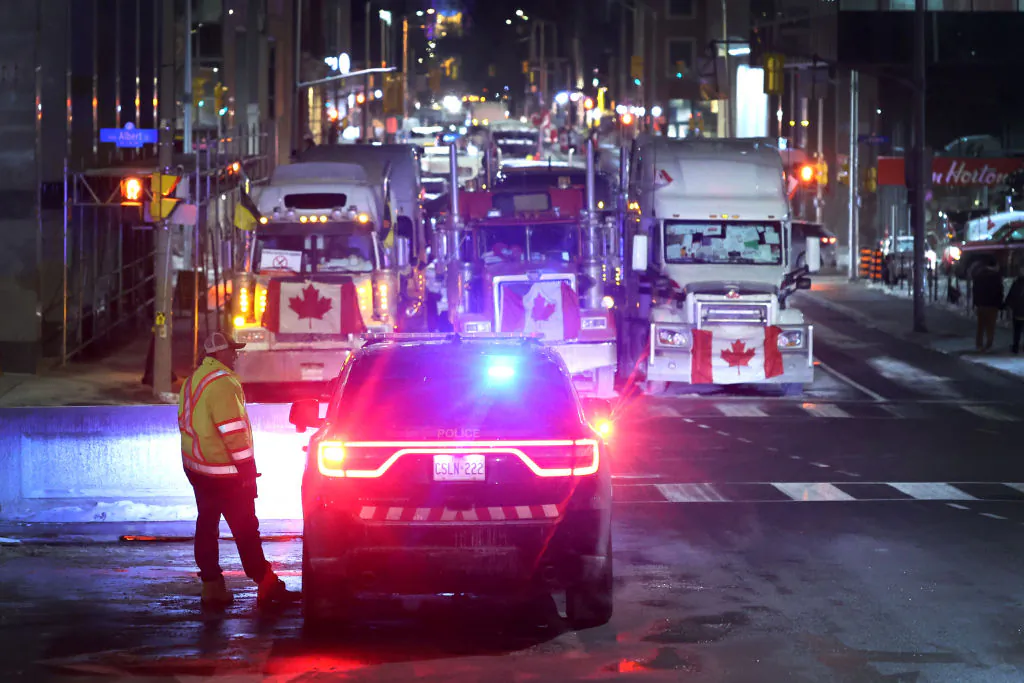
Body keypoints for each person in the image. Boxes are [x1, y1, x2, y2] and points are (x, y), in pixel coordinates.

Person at [178, 331, 299, 608]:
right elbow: (233, 432)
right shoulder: (223, 383)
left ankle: (212, 587)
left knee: (206, 526)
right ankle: (266, 584)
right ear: (218, 353)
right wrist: (248, 471)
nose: (235, 354)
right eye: (232, 350)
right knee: (246, 528)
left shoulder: (192, 381)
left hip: (198, 469)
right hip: (225, 473)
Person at [971, 257, 1004, 352]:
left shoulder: (979, 275)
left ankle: (979, 344)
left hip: (981, 304)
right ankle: (988, 345)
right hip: (992, 305)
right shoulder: (996, 277)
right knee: (990, 326)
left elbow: (975, 290)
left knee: (980, 325)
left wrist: (976, 302)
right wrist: (1000, 304)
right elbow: (999, 292)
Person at [1005, 265, 1024, 353]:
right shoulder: (1017, 282)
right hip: (1018, 309)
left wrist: (1008, 304)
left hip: (1017, 310)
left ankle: (1015, 347)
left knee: (1017, 330)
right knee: (1017, 330)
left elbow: (1011, 295)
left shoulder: (1017, 282)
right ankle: (1016, 346)